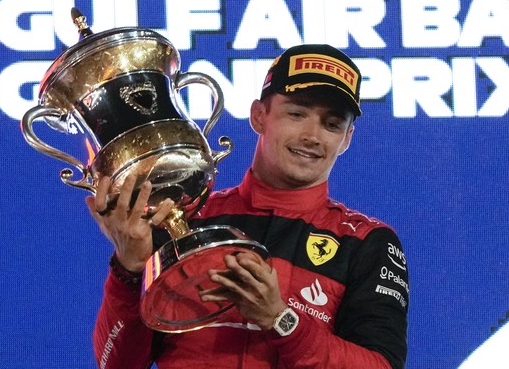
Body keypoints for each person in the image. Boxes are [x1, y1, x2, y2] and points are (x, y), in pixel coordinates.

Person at [87, 44, 409, 369]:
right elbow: (116, 363)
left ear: (347, 138)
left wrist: (280, 319)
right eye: (296, 113)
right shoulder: (183, 219)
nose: (313, 136)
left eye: (331, 124)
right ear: (259, 115)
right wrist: (128, 269)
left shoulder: (366, 243)